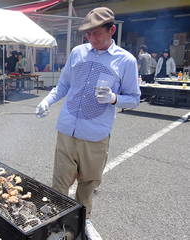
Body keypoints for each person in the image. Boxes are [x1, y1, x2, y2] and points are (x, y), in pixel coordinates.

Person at [35, 7, 140, 239]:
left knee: (87, 184)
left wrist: (114, 98)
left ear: (111, 30)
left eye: (97, 34)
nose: (92, 40)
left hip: (95, 135)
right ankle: (57, 225)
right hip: (67, 128)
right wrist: (47, 100)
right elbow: (63, 85)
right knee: (59, 183)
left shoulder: (126, 60)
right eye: (88, 35)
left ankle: (84, 221)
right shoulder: (78, 53)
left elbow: (134, 99)